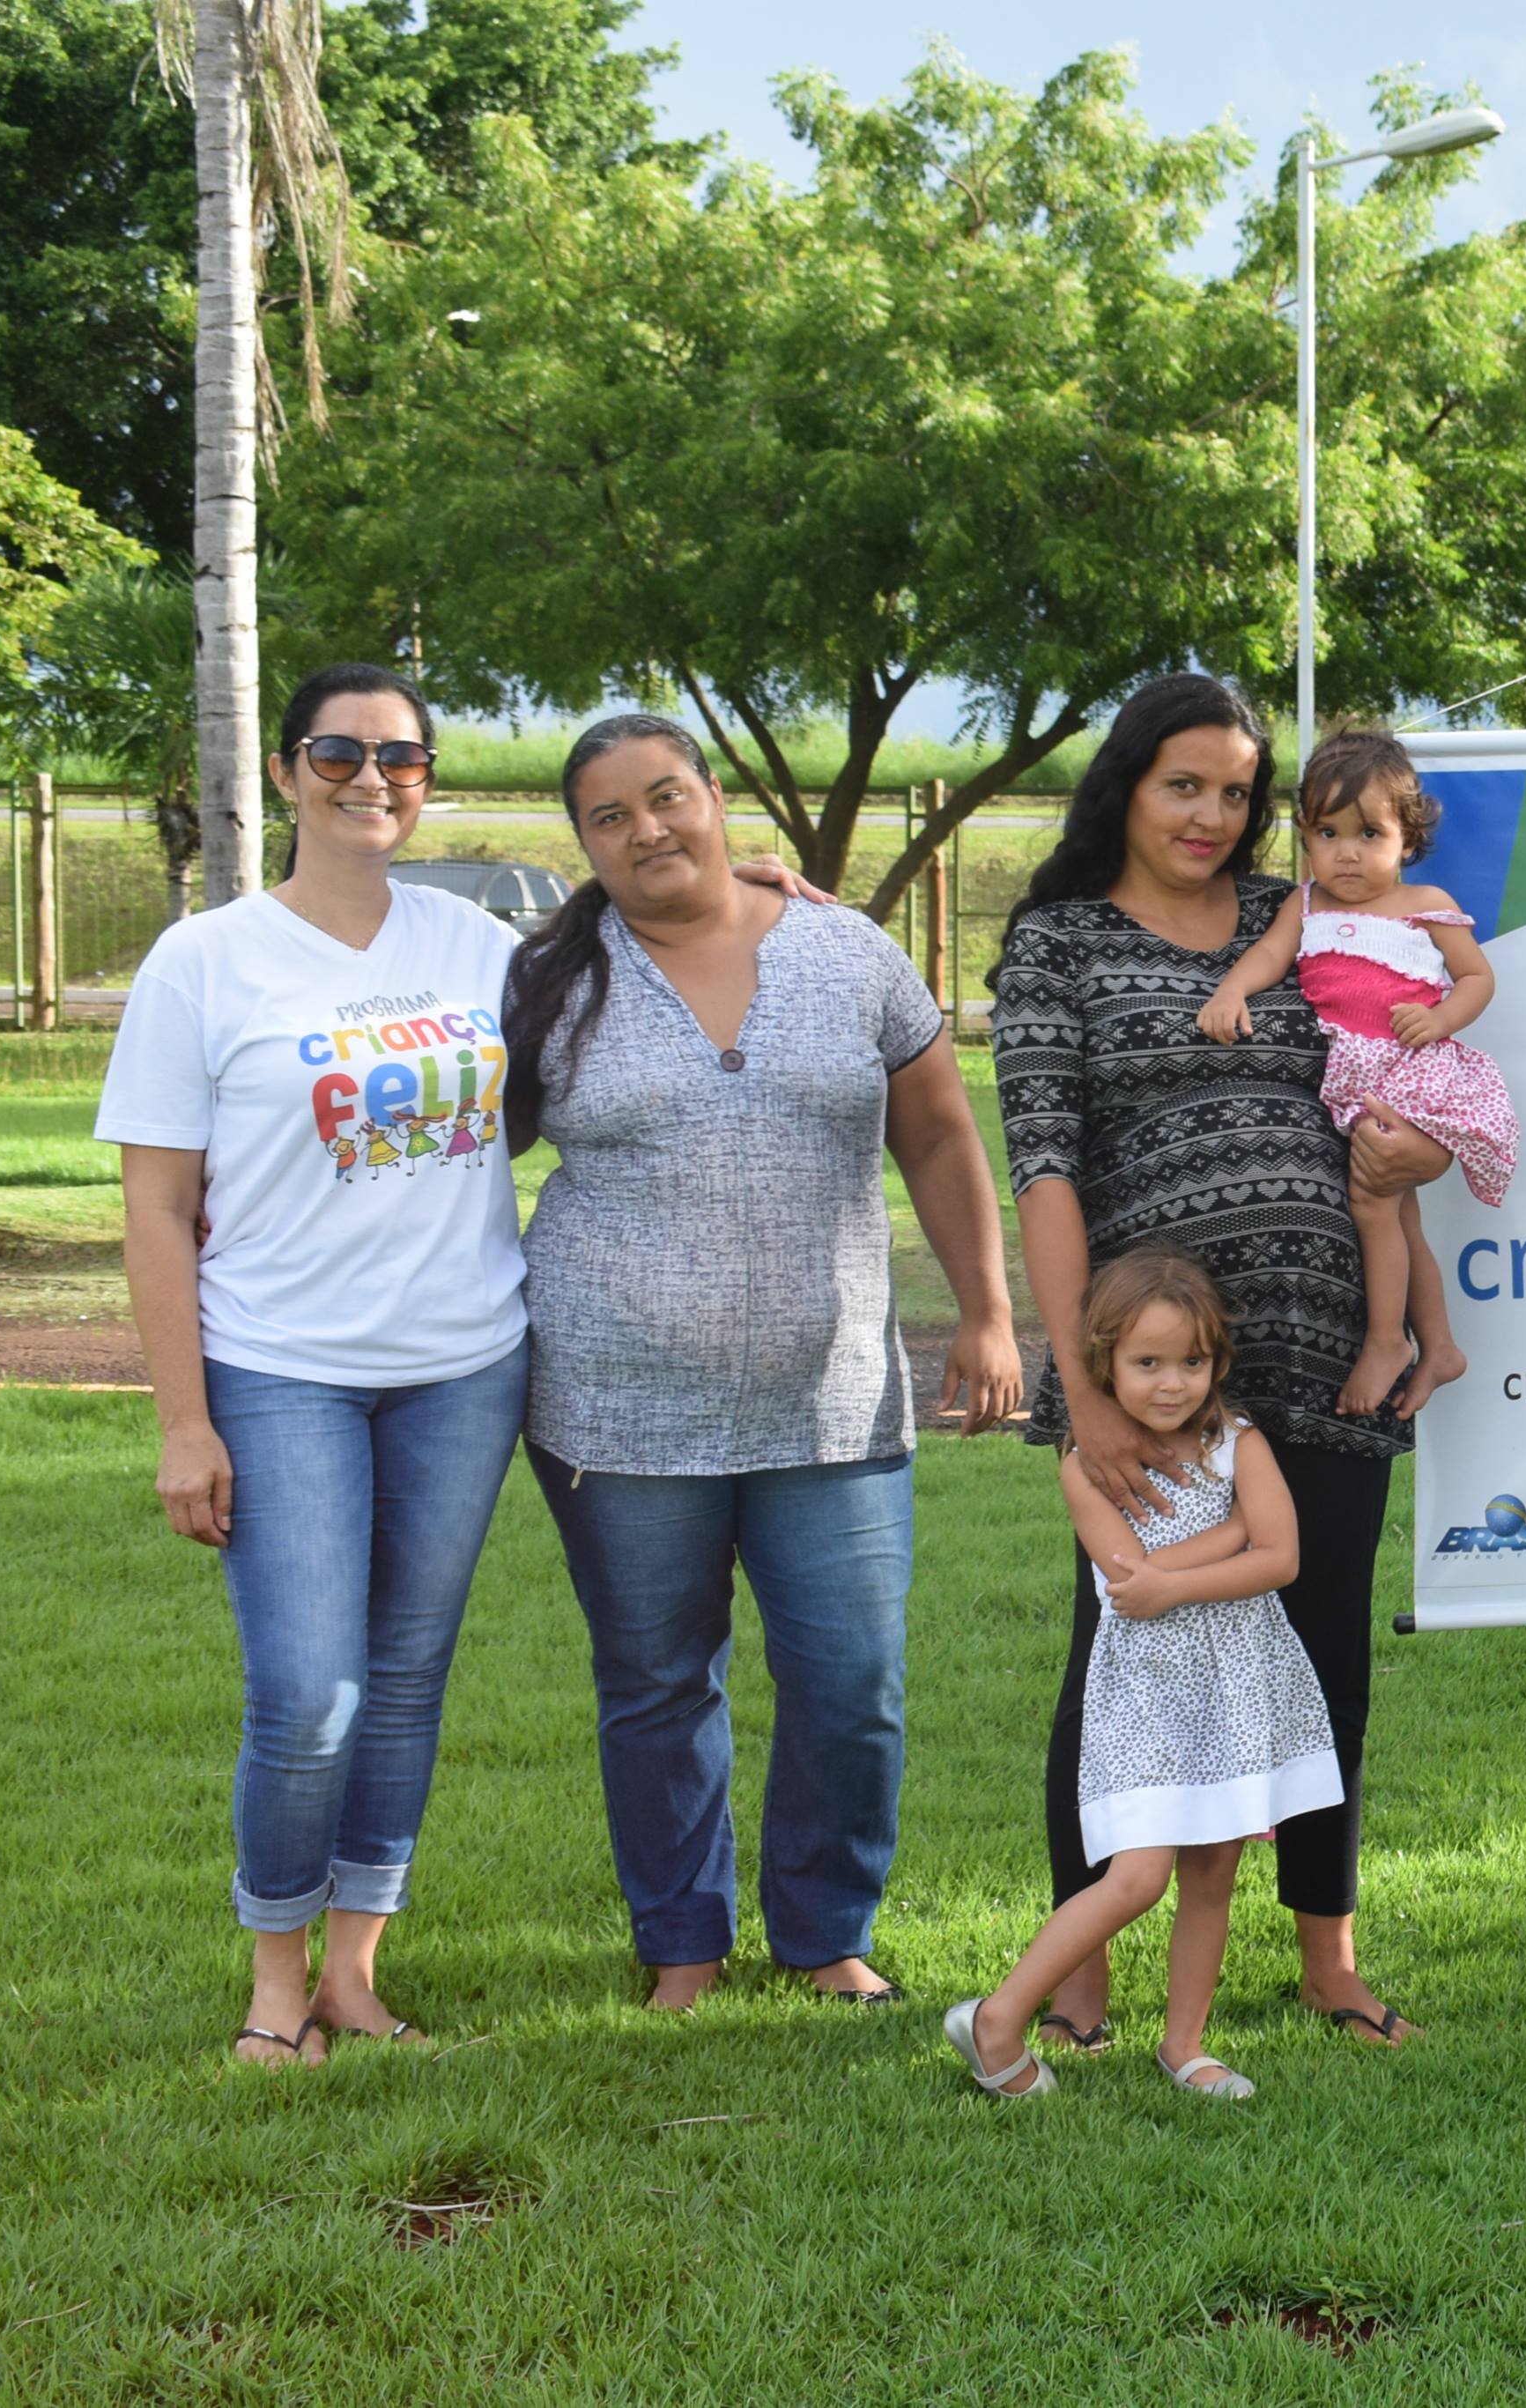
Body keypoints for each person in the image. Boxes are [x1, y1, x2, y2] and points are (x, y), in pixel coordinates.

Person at [504, 712, 1023, 2012]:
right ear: (583, 843)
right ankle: (682, 1942)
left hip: (832, 1404)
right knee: (658, 1683)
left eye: (666, 797)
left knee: (852, 1680)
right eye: (609, 818)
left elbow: (944, 1137)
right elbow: (454, 1145)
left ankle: (823, 1928)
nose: (646, 831)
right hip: (614, 1413)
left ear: (717, 796)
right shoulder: (549, 980)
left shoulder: (847, 952)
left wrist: (988, 1312)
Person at [993, 673, 1447, 2052]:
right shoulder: (1058, 943)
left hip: (1326, 1352)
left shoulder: (1299, 915)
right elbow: (1046, 1164)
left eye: (1238, 791)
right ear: (1126, 783)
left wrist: (1420, 1151)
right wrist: (1084, 1390)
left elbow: (1401, 1072)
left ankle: (1331, 1959)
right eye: (1183, 782)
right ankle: (1081, 1985)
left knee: (1324, 1659)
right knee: (1117, 1661)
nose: (1213, 814)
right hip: (1154, 1382)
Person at [99, 663, 528, 2064]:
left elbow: (664, 929)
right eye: (338, 752)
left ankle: (355, 1971)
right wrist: (183, 1421)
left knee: (404, 1677)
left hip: (464, 1363)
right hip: (279, 1368)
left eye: (400, 758)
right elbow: (158, 1206)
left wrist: (766, 883)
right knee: (306, 1690)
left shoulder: (482, 947)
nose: (370, 777)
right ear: (288, 773)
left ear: (427, 780)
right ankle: (273, 1973)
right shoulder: (205, 960)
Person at [948, 1248, 1337, 2101]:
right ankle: (999, 2016)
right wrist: (1228, 1537)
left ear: (1216, 1362)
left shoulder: (1240, 1444)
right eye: (1147, 1363)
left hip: (1234, 1690)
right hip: (1147, 1703)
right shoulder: (1086, 1470)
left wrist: (1192, 1569)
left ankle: (1184, 2044)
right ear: (1105, 1365)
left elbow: (1281, 1557)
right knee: (1136, 1876)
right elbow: (1134, 1588)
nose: (1171, 1384)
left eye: (1190, 1362)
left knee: (1214, 1871)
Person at [1200, 729, 1514, 1416]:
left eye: (1369, 833)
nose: (1347, 852)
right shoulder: (1306, 905)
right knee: (1400, 1217)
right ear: (1307, 837)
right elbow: (1269, 957)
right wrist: (1231, 992)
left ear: (1406, 838)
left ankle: (1385, 1342)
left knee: (1374, 1203)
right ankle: (1439, 1344)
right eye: (1328, 832)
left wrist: (1440, 1020)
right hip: (1355, 1079)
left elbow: (1476, 976)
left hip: (1411, 1075)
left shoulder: (1424, 902)